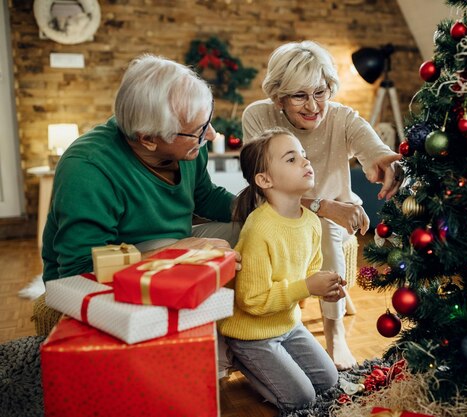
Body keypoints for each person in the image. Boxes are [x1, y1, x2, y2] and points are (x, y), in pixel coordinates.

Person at [242, 40, 403, 369]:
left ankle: (336, 336)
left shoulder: (342, 118)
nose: (313, 105)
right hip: (276, 210)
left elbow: (374, 149)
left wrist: (387, 162)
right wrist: (322, 205)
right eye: (300, 95)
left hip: (335, 217)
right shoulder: (258, 116)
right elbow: (260, 181)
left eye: (320, 92)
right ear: (279, 97)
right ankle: (271, 327)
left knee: (326, 236)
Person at [42, 54, 240, 282]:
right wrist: (175, 254)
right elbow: (79, 270)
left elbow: (204, 196)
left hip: (174, 241)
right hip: (97, 272)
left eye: (207, 122)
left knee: (252, 228)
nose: (211, 135)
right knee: (167, 246)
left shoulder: (192, 141)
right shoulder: (88, 169)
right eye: (198, 130)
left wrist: (256, 207)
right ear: (147, 139)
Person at [219, 128, 341, 411]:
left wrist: (325, 291)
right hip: (252, 334)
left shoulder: (311, 221)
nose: (305, 162)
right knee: (302, 399)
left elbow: (308, 274)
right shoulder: (259, 229)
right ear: (265, 179)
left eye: (304, 155)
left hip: (287, 324)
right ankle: (240, 357)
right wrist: (307, 287)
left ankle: (273, 364)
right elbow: (251, 300)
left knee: (329, 380)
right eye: (291, 159)